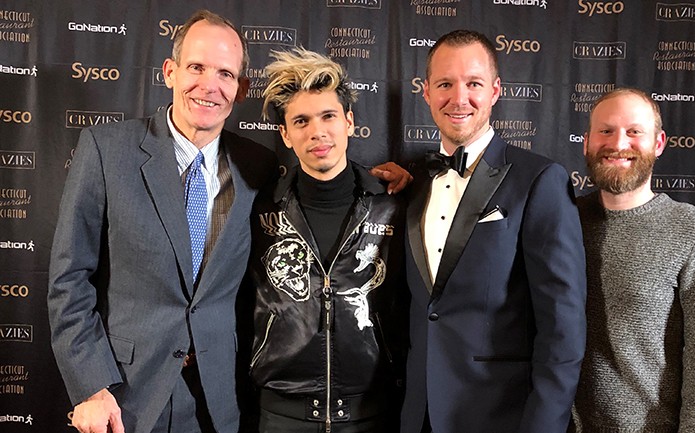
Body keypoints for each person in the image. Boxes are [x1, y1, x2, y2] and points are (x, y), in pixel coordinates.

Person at [47, 10, 408, 433]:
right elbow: (69, 279)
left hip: (222, 401)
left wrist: (391, 178)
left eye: (224, 73)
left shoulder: (257, 166)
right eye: (196, 67)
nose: (209, 86)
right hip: (127, 394)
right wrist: (91, 387)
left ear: (240, 89)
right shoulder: (107, 150)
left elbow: (325, 179)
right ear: (169, 71)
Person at [400, 29, 587, 433]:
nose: (459, 98)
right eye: (445, 84)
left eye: (474, 84)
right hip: (419, 414)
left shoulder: (540, 180)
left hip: (501, 416)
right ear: (427, 92)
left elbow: (562, 327)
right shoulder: (414, 183)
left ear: (496, 90)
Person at [246, 47, 407, 433]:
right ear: (284, 133)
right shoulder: (257, 210)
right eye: (301, 120)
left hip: (370, 413)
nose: (317, 131)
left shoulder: (394, 207)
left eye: (328, 116)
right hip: (281, 415)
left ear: (349, 122)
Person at [570, 88, 695, 432]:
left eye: (634, 132)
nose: (618, 143)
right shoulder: (560, 221)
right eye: (605, 131)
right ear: (586, 141)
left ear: (658, 143)